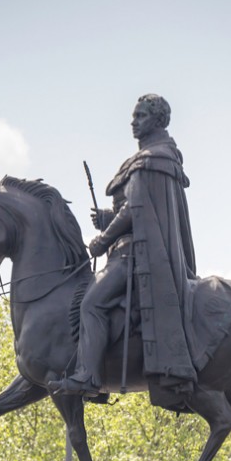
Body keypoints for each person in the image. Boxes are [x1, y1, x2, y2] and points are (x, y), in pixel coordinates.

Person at [50, 94, 200, 398]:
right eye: (134, 116)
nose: (134, 122)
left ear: (156, 120)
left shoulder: (151, 158)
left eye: (141, 116)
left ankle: (89, 377)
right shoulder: (156, 156)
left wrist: (103, 239)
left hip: (133, 255)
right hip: (128, 247)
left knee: (91, 303)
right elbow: (137, 209)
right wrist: (107, 218)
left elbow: (135, 211)